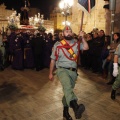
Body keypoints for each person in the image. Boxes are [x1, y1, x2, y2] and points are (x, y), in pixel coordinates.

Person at [49, 25, 89, 120]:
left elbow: (86, 47)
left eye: (70, 31)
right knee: (67, 88)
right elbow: (52, 60)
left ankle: (65, 113)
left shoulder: (76, 43)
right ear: (62, 34)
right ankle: (76, 107)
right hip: (62, 70)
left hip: (73, 72)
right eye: (66, 32)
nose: (68, 33)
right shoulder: (58, 45)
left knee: (68, 92)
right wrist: (50, 73)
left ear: (72, 33)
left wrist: (82, 38)